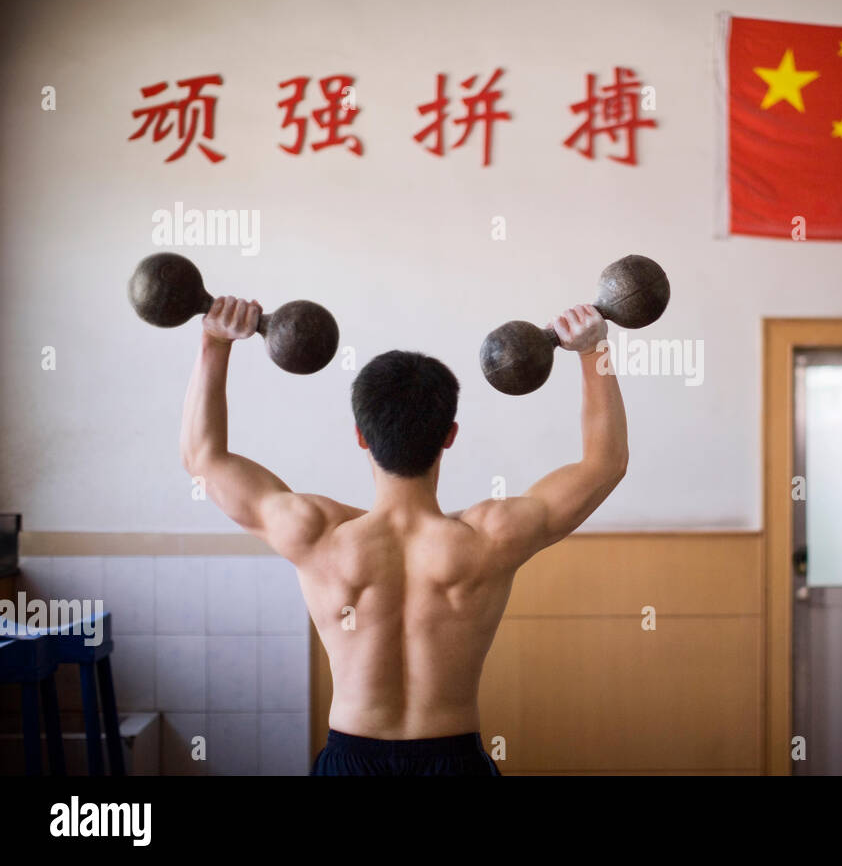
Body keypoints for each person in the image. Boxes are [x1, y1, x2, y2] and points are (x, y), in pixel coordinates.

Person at [180, 297, 628, 775]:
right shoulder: (493, 537)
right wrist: (592, 350)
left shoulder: (314, 534)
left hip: (352, 760)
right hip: (452, 761)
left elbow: (202, 458)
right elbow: (605, 463)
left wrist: (214, 341)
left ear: (361, 436)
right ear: (449, 435)